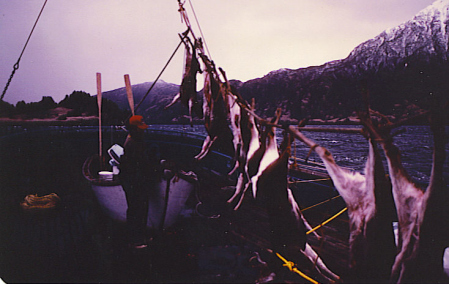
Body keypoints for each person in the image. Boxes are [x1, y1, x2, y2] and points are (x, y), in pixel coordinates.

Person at [119, 115, 160, 249]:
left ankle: (140, 237)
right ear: (134, 129)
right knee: (136, 209)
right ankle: (134, 240)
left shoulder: (136, 140)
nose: (143, 131)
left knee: (140, 209)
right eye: (140, 128)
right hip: (132, 181)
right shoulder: (132, 144)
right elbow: (140, 165)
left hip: (135, 179)